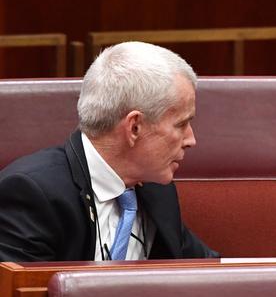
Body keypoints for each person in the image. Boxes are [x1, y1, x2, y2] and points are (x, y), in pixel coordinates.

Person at [0, 41, 219, 261]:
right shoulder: (32, 195)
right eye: (181, 124)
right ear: (134, 127)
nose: (191, 140)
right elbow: (23, 293)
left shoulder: (156, 189)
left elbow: (205, 272)